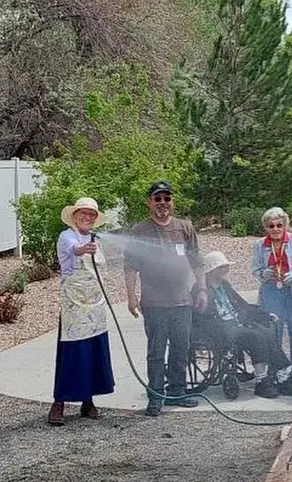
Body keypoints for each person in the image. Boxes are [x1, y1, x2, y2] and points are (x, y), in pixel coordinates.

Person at [124, 181, 207, 417]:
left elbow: (197, 261)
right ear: (149, 202)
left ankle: (178, 391)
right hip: (154, 303)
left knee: (181, 349)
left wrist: (202, 289)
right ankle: (156, 396)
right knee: (156, 352)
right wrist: (131, 296)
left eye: (167, 198)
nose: (163, 203)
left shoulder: (184, 227)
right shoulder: (140, 230)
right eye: (157, 199)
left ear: (173, 201)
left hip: (182, 301)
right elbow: (130, 266)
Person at [195, 252, 292, 398]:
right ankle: (262, 381)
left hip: (237, 325)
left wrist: (264, 315)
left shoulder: (225, 285)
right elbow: (203, 317)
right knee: (255, 336)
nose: (226, 271)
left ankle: (284, 377)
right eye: (223, 268)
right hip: (219, 329)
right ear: (212, 271)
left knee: (265, 331)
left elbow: (243, 306)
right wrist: (233, 325)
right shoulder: (200, 289)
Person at [48, 197, 115, 426]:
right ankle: (59, 404)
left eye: (91, 215)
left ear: (95, 219)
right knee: (73, 352)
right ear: (74, 216)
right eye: (82, 214)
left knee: (93, 350)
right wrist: (82, 249)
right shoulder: (67, 236)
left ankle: (88, 402)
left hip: (95, 306)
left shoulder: (96, 239)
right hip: (75, 307)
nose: (87, 218)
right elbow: (73, 249)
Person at [252, 207, 292, 375]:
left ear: (285, 225)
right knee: (274, 328)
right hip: (271, 290)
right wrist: (264, 274)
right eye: (271, 226)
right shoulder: (259, 245)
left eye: (279, 225)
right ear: (266, 227)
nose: (276, 229)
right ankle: (276, 364)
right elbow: (255, 270)